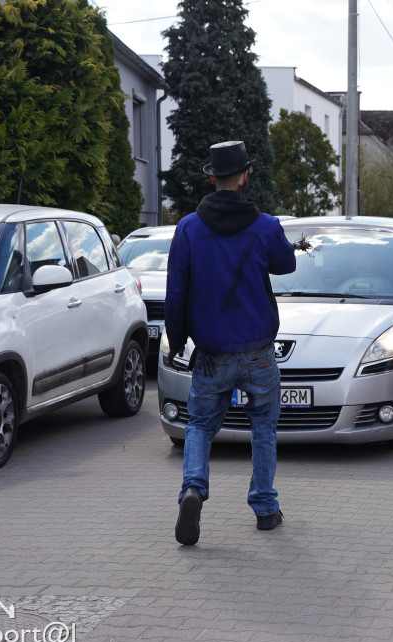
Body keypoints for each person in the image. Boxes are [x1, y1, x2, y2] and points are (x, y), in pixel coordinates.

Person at [165, 140, 297, 546]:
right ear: (245, 176)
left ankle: (192, 489)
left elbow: (177, 291)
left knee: (201, 425)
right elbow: (287, 264)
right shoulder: (265, 225)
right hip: (257, 352)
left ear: (211, 177)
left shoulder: (188, 227)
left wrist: (176, 340)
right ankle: (265, 507)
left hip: (211, 353)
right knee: (263, 428)